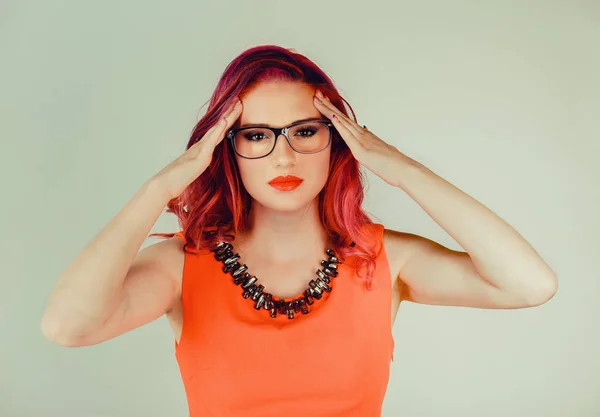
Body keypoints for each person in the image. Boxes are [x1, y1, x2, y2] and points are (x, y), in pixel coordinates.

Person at [40, 45, 558, 417]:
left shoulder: (384, 259)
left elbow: (529, 285)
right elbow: (68, 326)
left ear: (339, 142)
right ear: (226, 149)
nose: (283, 155)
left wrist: (400, 167)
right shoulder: (182, 267)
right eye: (257, 135)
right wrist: (160, 187)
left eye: (305, 131)